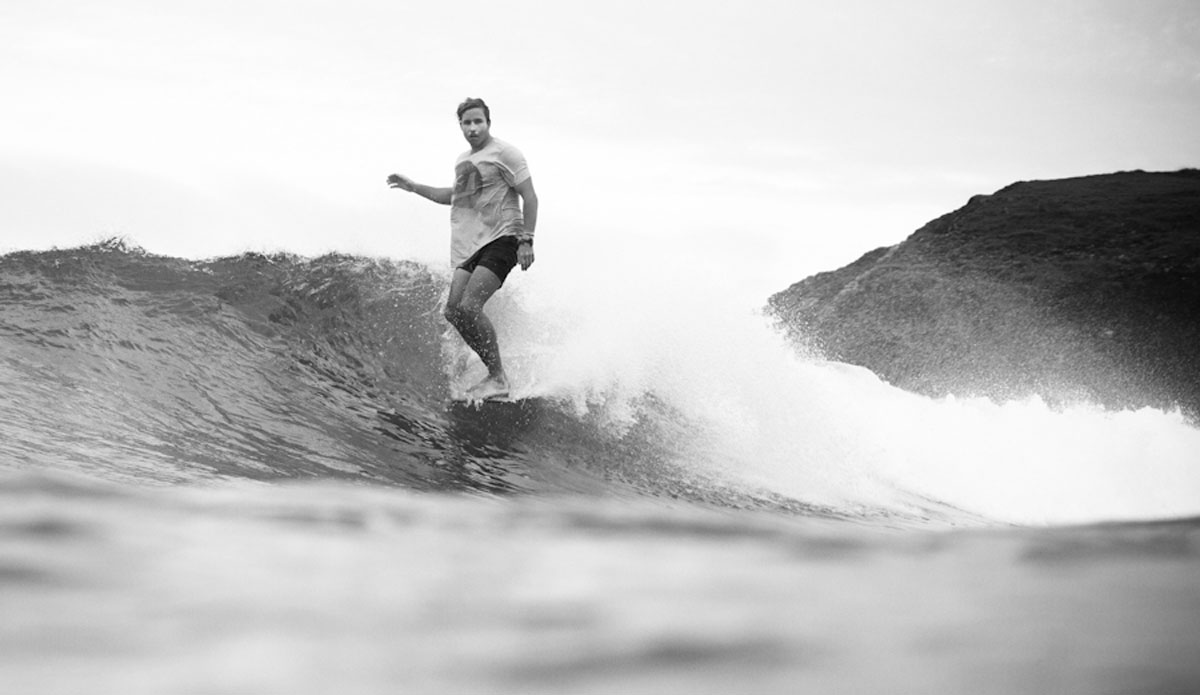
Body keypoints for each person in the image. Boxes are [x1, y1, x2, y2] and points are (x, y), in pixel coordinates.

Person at [387, 97, 538, 400]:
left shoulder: (507, 153)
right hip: (472, 247)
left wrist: (526, 240)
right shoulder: (463, 161)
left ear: (488, 122)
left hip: (504, 238)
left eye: (478, 121)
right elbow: (453, 197)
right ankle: (492, 372)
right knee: (454, 311)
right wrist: (414, 187)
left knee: (470, 307)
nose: (472, 128)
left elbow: (530, 197)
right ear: (460, 125)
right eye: (466, 122)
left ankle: (498, 378)